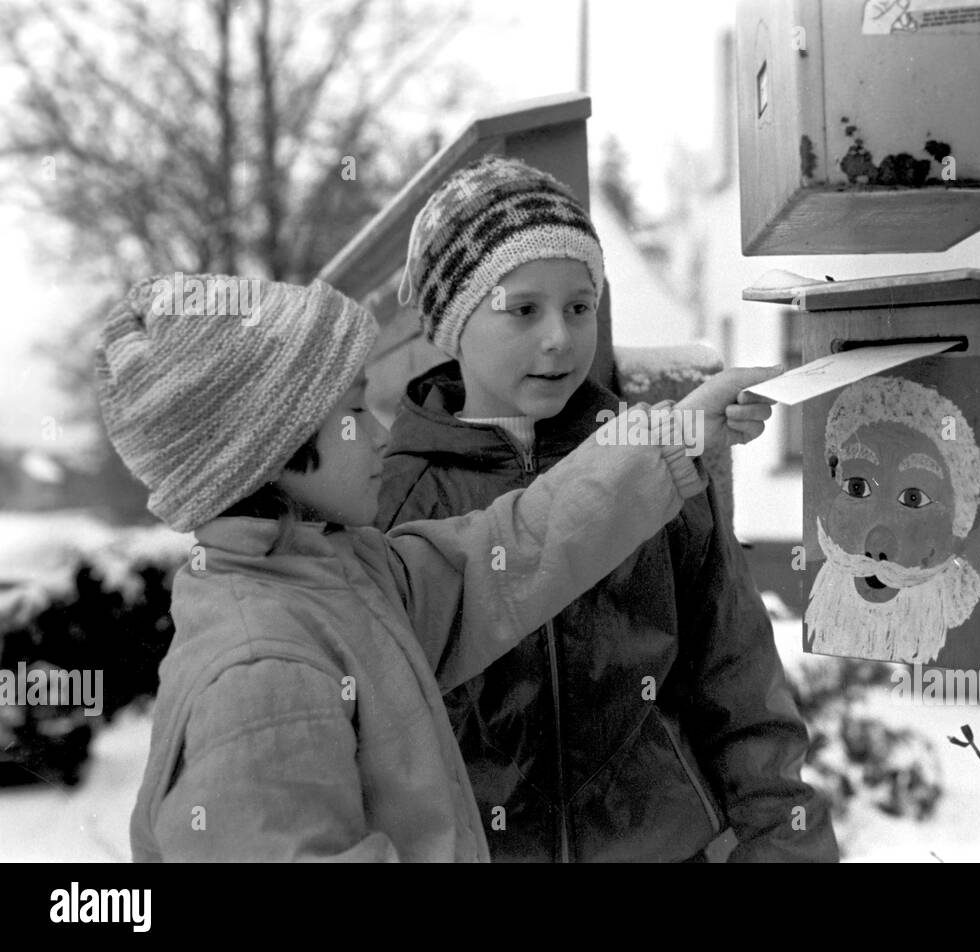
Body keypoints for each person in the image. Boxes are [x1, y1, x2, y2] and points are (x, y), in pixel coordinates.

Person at [95, 271, 774, 861]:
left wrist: (671, 442)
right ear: (266, 447)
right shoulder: (263, 675)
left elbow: (509, 555)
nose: (382, 433)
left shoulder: (343, 577)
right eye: (355, 410)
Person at [380, 155, 839, 862]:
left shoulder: (664, 468)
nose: (559, 337)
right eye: (522, 310)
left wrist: (784, 842)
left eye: (579, 304)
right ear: (451, 323)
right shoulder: (399, 498)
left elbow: (738, 680)